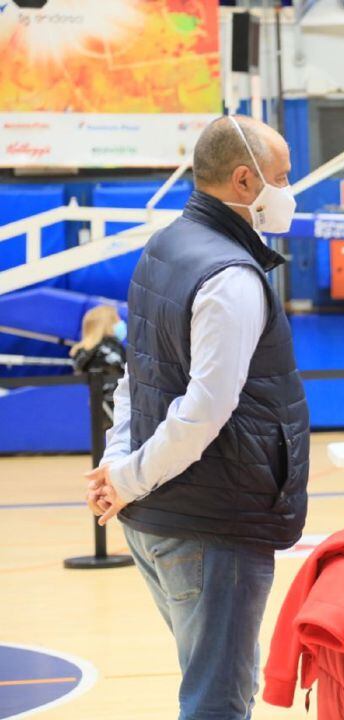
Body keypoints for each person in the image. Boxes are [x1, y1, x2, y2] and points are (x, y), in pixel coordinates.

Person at [85, 114, 310, 720]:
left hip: (163, 516)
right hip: (213, 523)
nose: (290, 191)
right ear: (244, 181)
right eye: (283, 177)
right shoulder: (230, 277)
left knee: (209, 687)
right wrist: (125, 477)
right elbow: (203, 411)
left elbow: (138, 376)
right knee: (218, 702)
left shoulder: (164, 245)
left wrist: (117, 467)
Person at [70, 304, 127, 425]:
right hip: (119, 410)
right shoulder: (111, 350)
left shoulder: (85, 354)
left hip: (98, 411)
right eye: (117, 319)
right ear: (108, 324)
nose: (121, 323)